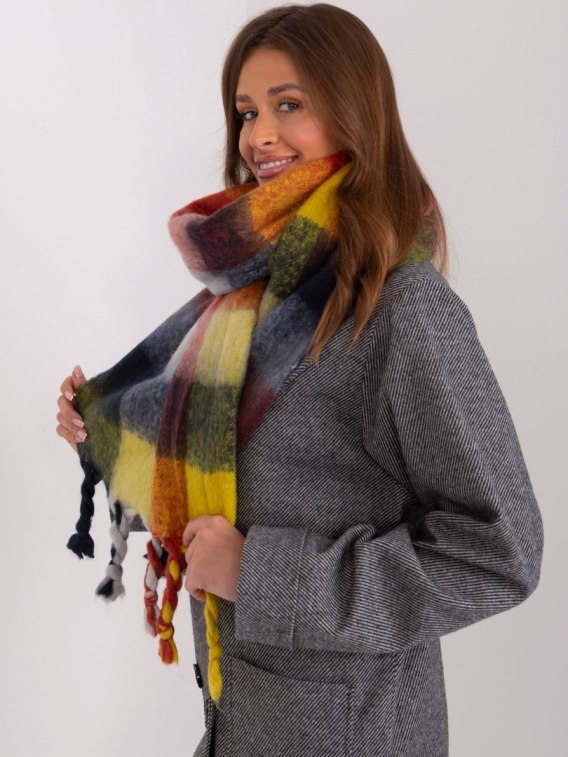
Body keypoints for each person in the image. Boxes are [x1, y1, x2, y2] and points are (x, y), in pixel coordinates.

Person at [55, 4, 544, 756]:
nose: (258, 135)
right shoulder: (251, 301)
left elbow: (499, 552)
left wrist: (261, 574)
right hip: (240, 720)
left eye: (289, 104)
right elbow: (234, 485)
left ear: (356, 112)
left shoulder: (404, 307)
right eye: (248, 111)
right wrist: (111, 439)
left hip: (353, 732)